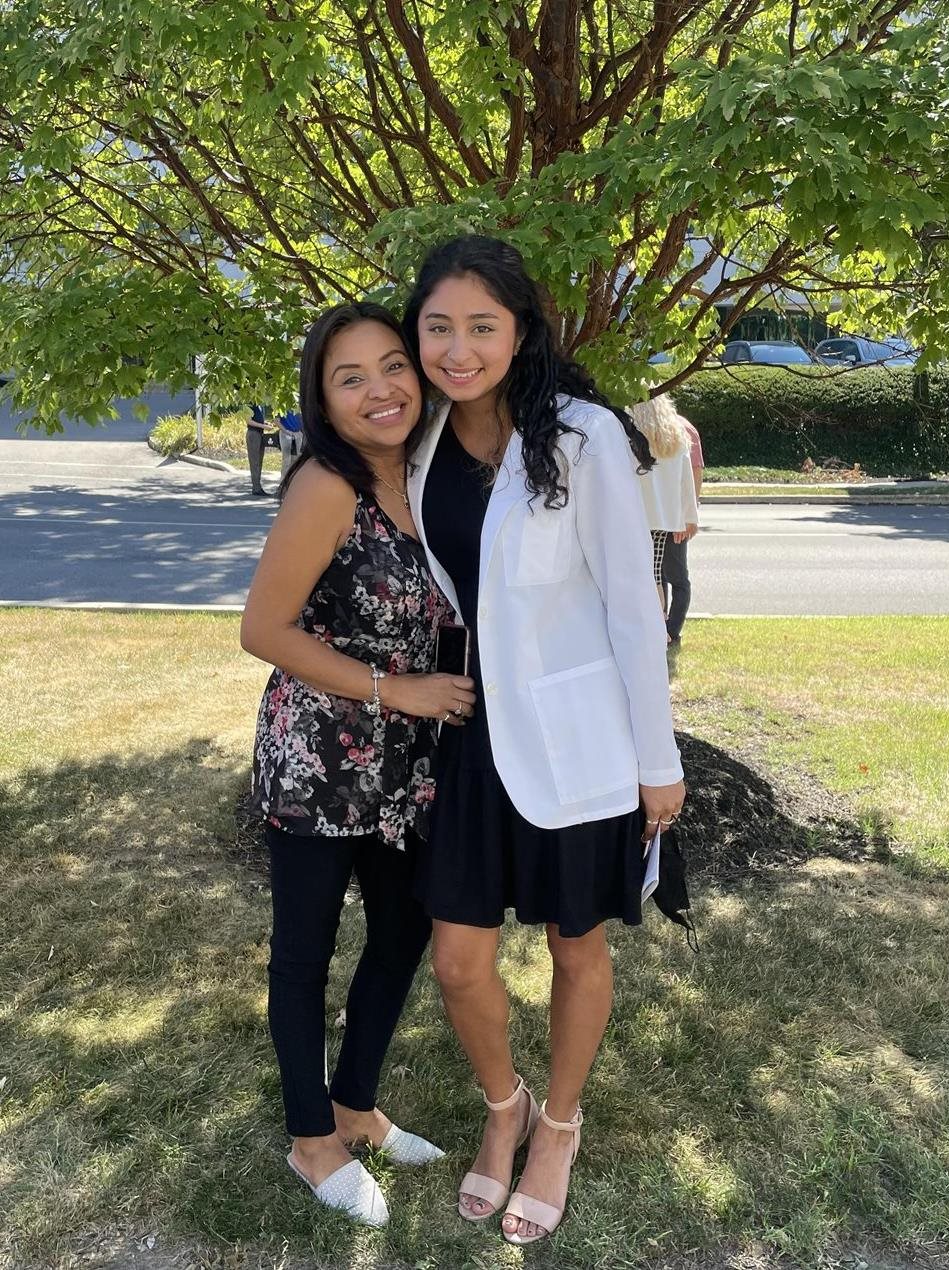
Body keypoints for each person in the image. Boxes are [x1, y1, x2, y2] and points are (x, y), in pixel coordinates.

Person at [402, 235, 686, 1245]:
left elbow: (630, 606)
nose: (460, 347)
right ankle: (504, 1104)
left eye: (483, 325)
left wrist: (659, 761)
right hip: (472, 732)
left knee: (577, 943)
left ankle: (558, 1126)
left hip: (578, 734)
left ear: (521, 331)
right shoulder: (422, 434)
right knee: (459, 962)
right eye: (441, 326)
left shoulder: (580, 433)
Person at [240, 303, 476, 1226]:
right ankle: (311, 1140)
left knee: (402, 933)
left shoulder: (424, 478)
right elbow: (263, 629)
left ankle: (356, 1105)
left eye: (392, 366)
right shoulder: (325, 486)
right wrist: (398, 688)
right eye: (351, 378)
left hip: (405, 766)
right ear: (325, 400)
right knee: (303, 953)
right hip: (321, 757)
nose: (381, 389)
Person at [631, 393, 699, 637]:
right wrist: (690, 516)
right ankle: (659, 629)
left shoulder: (630, 435)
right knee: (654, 575)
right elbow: (686, 480)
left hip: (634, 517)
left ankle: (652, 630)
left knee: (639, 576)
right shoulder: (675, 435)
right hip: (661, 519)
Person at [661, 409, 704, 647]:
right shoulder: (650, 426)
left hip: (674, 516)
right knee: (660, 575)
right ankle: (664, 628)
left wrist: (689, 516)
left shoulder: (683, 429)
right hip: (662, 515)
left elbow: (694, 473)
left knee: (675, 577)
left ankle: (672, 630)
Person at [245, 403, 280, 497]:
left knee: (259, 460)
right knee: (254, 461)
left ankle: (257, 486)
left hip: (260, 434)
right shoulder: (249, 404)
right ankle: (256, 488)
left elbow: (258, 420)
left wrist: (265, 424)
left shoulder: (260, 406)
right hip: (253, 434)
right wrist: (263, 426)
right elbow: (249, 421)